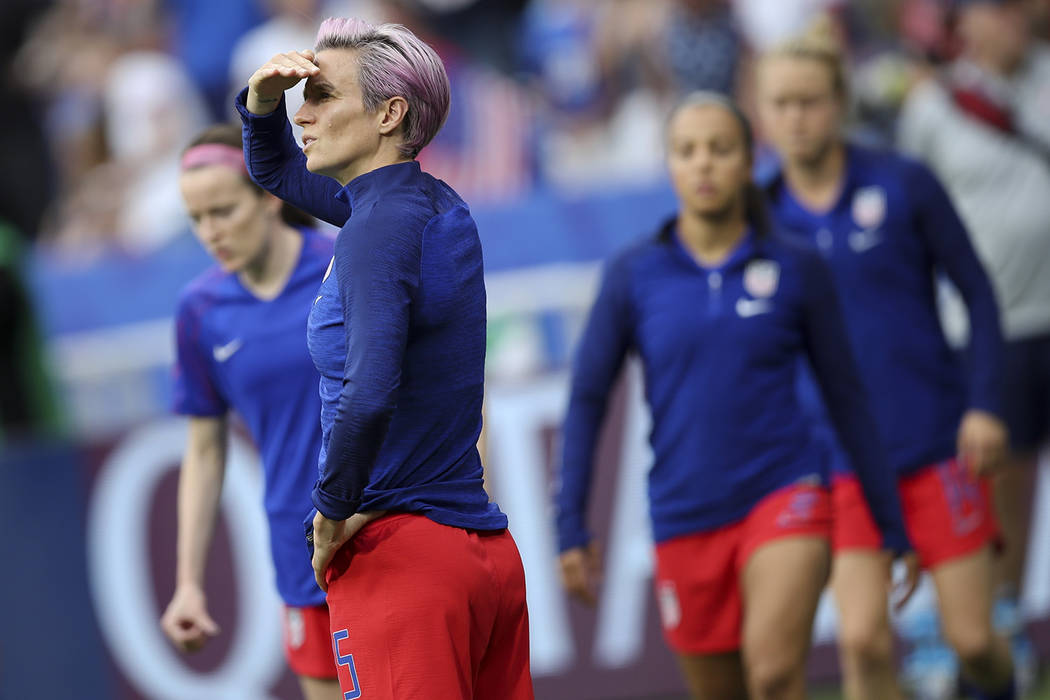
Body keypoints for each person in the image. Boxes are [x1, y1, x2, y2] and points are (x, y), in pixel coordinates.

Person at [555, 91, 918, 700]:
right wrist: (570, 526)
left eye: (720, 149)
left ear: (750, 161)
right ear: (668, 164)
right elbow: (588, 398)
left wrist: (889, 522)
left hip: (786, 490)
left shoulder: (797, 266)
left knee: (774, 675)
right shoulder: (633, 274)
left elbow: (846, 398)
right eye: (687, 151)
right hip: (684, 513)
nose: (703, 164)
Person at [234, 18, 533, 700]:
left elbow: (369, 390)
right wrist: (260, 101)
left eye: (321, 96)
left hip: (403, 562)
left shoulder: (373, 229)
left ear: (390, 112)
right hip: (479, 551)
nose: (302, 113)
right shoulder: (426, 202)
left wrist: (331, 510)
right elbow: (275, 165)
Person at [756, 21, 1017, 700]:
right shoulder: (755, 216)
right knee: (863, 642)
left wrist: (986, 402)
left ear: (839, 102)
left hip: (937, 445)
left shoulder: (905, 184)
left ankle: (1002, 685)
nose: (796, 117)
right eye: (780, 104)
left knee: (975, 644)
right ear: (763, 112)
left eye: (809, 101)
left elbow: (980, 294)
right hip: (839, 464)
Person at [899, 0, 1050, 691]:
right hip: (994, 329)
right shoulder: (933, 107)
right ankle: (991, 623)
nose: (1011, 21)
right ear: (966, 24)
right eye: (996, 9)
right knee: (999, 487)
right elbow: (909, 217)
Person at [160, 123, 341, 700]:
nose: (211, 233)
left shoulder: (347, 263)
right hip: (301, 555)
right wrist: (188, 583)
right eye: (197, 219)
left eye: (223, 211)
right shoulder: (199, 311)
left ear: (267, 194)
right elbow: (205, 450)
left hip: (388, 531)